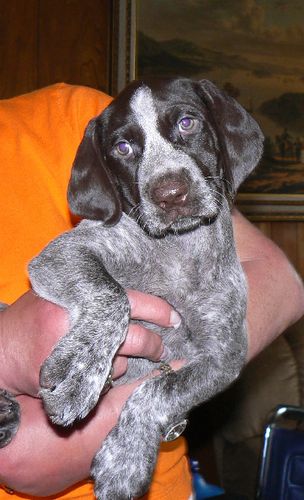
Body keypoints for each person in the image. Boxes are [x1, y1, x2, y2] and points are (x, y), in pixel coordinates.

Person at [0, 83, 303, 500]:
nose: (165, 182)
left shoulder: (74, 114)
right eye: (126, 149)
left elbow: (279, 284)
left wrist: (136, 412)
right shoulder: (108, 170)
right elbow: (56, 262)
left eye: (186, 124)